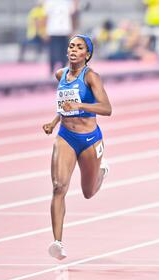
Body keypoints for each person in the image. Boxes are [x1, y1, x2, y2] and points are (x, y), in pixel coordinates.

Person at [42, 35, 112, 260]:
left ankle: (102, 170)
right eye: (71, 46)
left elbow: (107, 108)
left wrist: (81, 104)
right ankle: (57, 242)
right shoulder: (60, 75)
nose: (73, 50)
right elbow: (64, 105)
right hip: (66, 136)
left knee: (88, 192)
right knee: (58, 186)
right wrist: (54, 122)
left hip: (90, 139)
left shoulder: (91, 77)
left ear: (87, 54)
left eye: (79, 47)